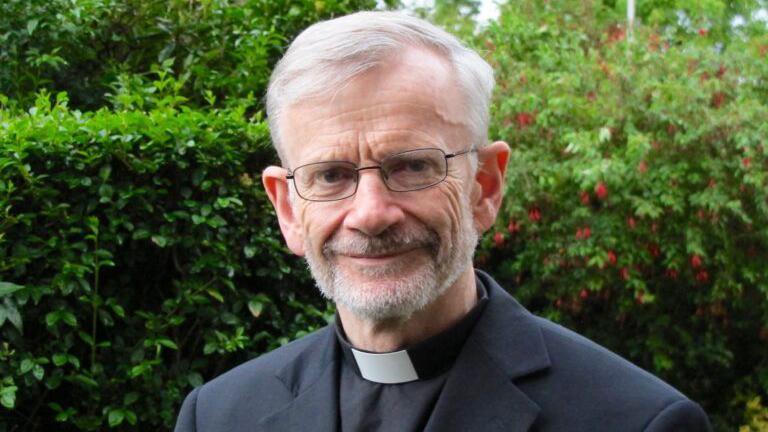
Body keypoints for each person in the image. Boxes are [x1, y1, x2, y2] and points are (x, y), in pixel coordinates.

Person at [174, 11, 711, 432]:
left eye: (411, 166)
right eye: (331, 175)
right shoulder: (219, 415)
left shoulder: (635, 421)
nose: (370, 214)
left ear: (485, 186)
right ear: (288, 208)